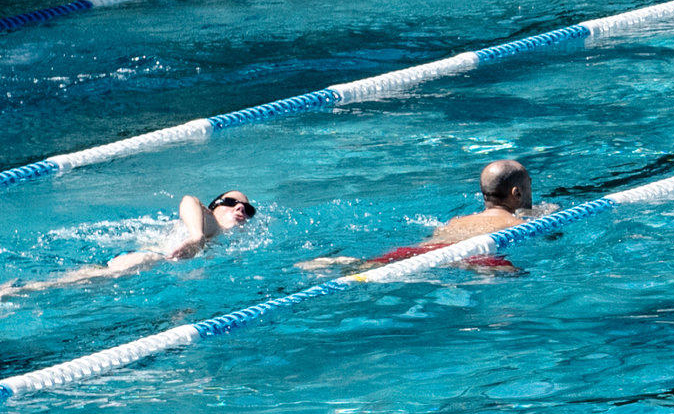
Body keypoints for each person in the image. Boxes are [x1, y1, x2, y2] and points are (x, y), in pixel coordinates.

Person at [295, 159, 548, 273]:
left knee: (374, 262)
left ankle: (341, 262)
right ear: (516, 192)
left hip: (416, 251)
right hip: (466, 257)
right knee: (513, 272)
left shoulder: (457, 221)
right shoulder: (516, 223)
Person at [0, 192, 254, 296]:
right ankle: (12, 292)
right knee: (67, 284)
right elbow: (189, 200)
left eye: (248, 209)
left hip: (149, 265)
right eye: (232, 202)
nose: (241, 208)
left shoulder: (226, 242)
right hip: (145, 257)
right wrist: (197, 237)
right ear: (214, 207)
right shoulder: (210, 224)